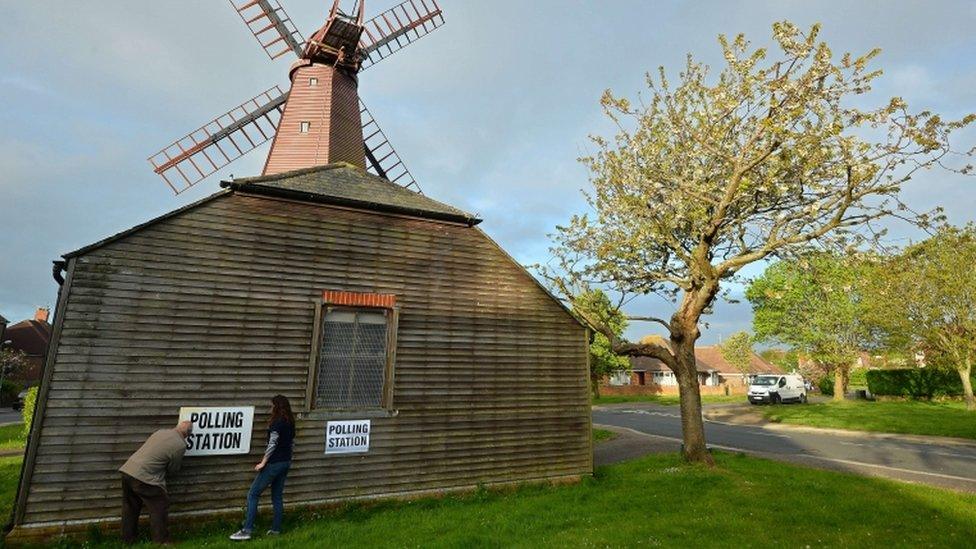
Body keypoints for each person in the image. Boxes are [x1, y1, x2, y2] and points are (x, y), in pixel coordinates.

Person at [230, 395, 296, 541]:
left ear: (276, 407)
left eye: (272, 406)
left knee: (253, 494)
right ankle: (276, 530)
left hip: (274, 464)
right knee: (277, 497)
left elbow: (272, 444)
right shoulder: (290, 422)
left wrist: (263, 462)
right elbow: (291, 444)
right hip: (285, 462)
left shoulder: (277, 423)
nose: (270, 408)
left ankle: (247, 530)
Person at [119, 420, 193, 545]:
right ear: (187, 435)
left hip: (127, 471)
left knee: (130, 507)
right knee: (160, 506)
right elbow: (173, 469)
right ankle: (162, 541)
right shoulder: (180, 445)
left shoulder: (161, 432)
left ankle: (127, 539)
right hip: (144, 477)